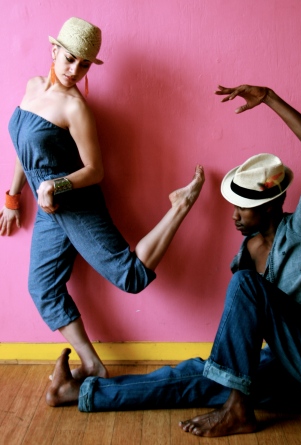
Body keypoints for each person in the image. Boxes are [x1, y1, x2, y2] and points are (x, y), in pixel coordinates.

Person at [45, 84, 301, 438]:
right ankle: (79, 392)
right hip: (285, 371)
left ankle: (238, 411)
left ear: (271, 206)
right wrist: (228, 369)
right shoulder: (246, 253)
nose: (234, 216)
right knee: (201, 374)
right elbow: (244, 332)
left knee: (244, 288)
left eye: (243, 207)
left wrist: (271, 98)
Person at [0, 17, 205, 381]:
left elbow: (95, 171)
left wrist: (56, 186)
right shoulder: (32, 87)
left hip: (76, 205)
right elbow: (23, 147)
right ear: (54, 50)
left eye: (83, 64)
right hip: (49, 212)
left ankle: (180, 205)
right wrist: (13, 198)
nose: (74, 70)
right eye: (69, 59)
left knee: (131, 278)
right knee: (42, 287)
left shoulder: (76, 108)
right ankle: (93, 364)